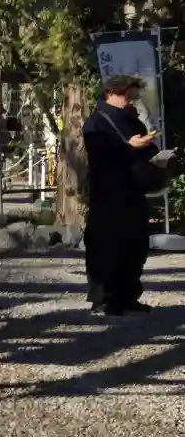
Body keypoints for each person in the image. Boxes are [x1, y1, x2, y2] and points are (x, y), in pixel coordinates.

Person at [82, 75, 166, 315]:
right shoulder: (97, 121)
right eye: (127, 97)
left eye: (133, 98)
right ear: (110, 93)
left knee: (135, 245)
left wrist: (157, 158)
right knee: (106, 245)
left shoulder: (133, 120)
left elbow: (145, 149)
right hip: (107, 192)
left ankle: (128, 297)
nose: (131, 102)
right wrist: (129, 147)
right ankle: (104, 299)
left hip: (134, 190)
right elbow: (99, 155)